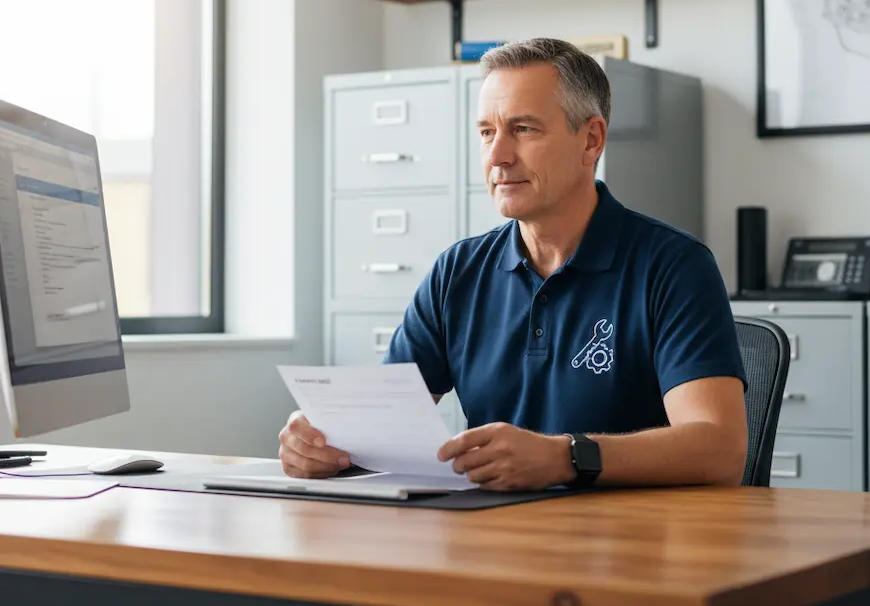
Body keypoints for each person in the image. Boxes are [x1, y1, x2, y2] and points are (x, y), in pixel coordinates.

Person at [279, 37, 748, 491]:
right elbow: (380, 426)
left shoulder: (674, 267)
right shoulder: (457, 272)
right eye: (487, 132)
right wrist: (325, 442)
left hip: (627, 548)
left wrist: (565, 458)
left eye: (523, 129)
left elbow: (720, 450)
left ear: (591, 140)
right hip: (494, 538)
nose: (498, 156)